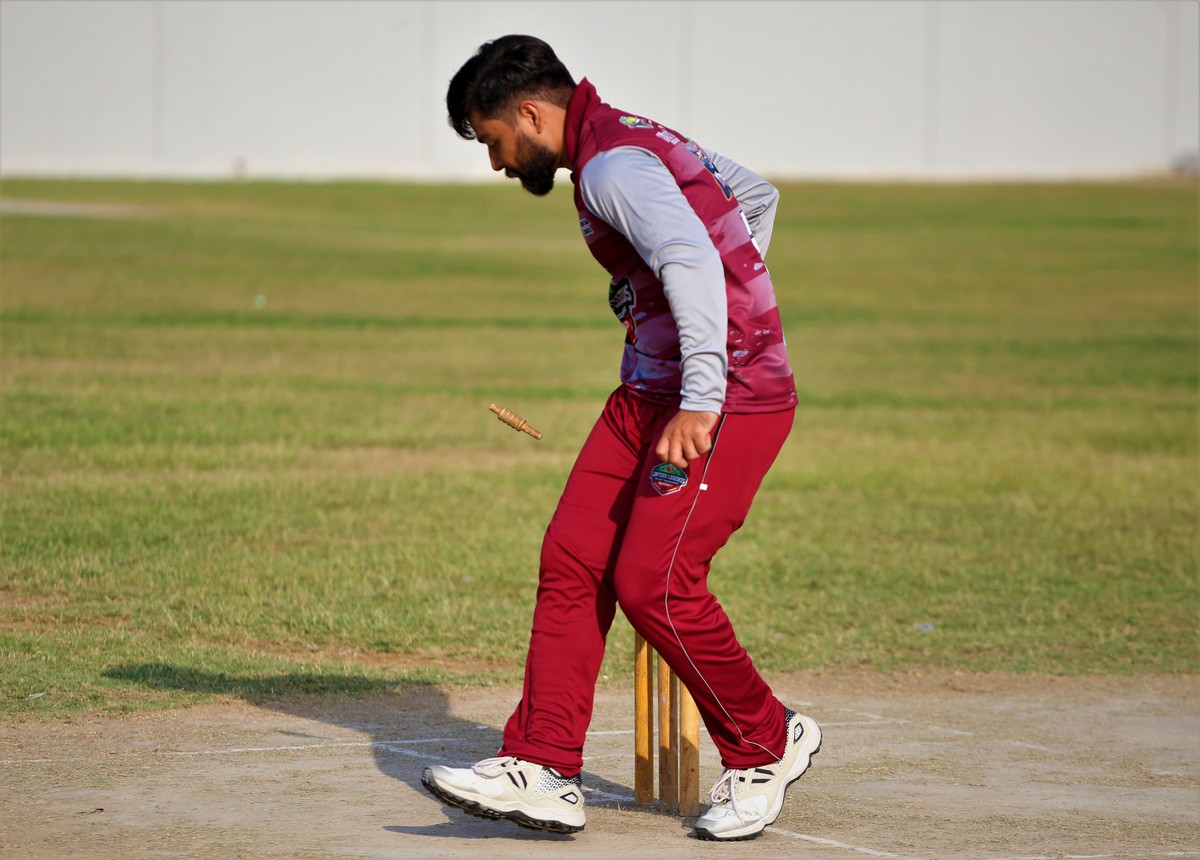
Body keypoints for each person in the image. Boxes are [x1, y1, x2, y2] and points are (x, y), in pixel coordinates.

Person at [422, 35, 821, 842]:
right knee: (573, 558)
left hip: (725, 400)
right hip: (649, 394)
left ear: (530, 113)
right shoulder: (632, 135)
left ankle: (767, 742)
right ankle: (543, 765)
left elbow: (693, 255)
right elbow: (752, 197)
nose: (497, 164)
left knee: (655, 583)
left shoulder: (610, 166)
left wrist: (704, 388)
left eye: (494, 142)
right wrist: (661, 290)